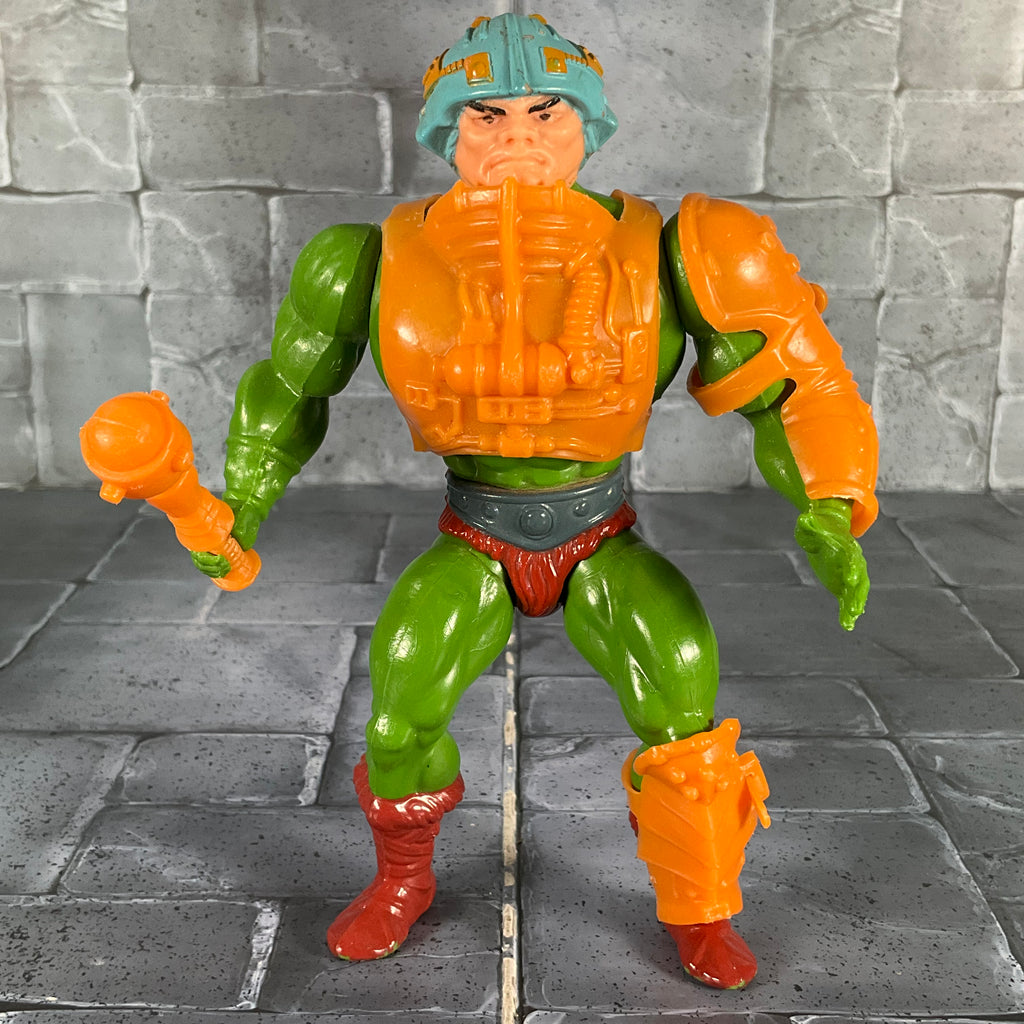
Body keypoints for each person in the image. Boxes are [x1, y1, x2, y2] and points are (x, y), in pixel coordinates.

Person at [191, 13, 878, 990]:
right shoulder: (367, 257)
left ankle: (701, 907)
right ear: (448, 131)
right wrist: (243, 500)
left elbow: (794, 387)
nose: (517, 135)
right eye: (488, 115)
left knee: (684, 706)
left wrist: (830, 500)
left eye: (544, 111)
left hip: (601, 524)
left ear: (586, 122)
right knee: (398, 714)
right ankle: (401, 879)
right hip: (474, 525)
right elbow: (287, 390)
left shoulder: (677, 247)